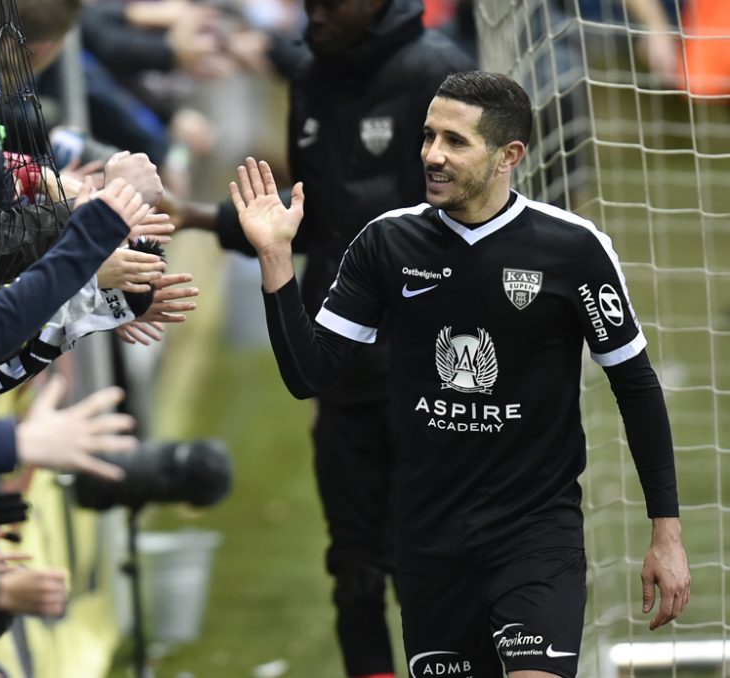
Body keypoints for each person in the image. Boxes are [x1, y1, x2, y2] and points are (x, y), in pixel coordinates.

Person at [230, 71, 690, 677]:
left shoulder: (573, 250)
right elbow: (309, 374)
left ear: (509, 156)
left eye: (454, 140)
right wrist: (274, 259)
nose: (432, 155)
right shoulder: (386, 245)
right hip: (429, 543)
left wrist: (667, 534)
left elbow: (635, 386)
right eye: (427, 136)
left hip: (534, 533)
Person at [177, 1, 472, 675]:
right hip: (343, 369)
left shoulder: (442, 77)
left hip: (432, 374)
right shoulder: (313, 72)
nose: (313, 18)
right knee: (355, 568)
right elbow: (310, 220)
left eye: (330, 5)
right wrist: (194, 216)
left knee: (439, 568)